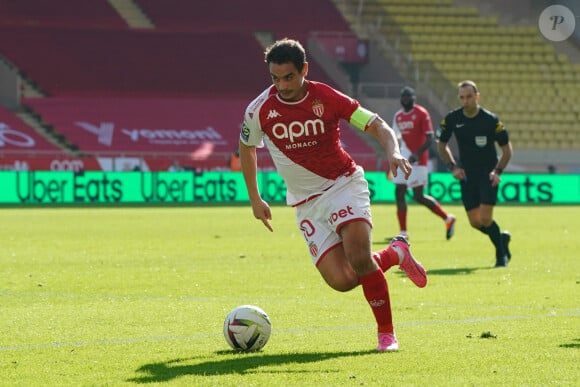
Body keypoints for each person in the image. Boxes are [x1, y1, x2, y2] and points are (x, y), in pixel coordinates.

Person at [239, 38, 427, 352]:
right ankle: (396, 254)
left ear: (304, 70)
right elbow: (247, 148)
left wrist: (393, 152)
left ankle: (386, 335)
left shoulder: (326, 97)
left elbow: (377, 124)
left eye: (289, 77)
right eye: (275, 78)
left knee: (359, 258)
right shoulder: (259, 110)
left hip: (343, 185)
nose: (282, 85)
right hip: (305, 203)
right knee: (342, 280)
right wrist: (255, 198)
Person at [437, 80, 512, 267]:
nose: (466, 101)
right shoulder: (452, 119)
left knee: (486, 218)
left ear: (477, 96)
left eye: (469, 96)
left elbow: (507, 149)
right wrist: (452, 167)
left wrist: (498, 171)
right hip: (467, 176)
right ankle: (501, 238)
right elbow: (441, 144)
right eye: (462, 97)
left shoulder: (490, 120)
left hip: (488, 175)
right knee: (475, 222)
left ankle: (501, 255)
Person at [391, 86, 456, 240]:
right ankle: (403, 232)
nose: (405, 100)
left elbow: (430, 138)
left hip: (419, 160)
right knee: (399, 191)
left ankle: (447, 218)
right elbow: (395, 138)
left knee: (418, 195)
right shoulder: (398, 116)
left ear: (413, 99)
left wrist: (416, 155)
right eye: (403, 98)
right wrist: (393, 157)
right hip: (403, 156)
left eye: (408, 97)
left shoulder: (421, 113)